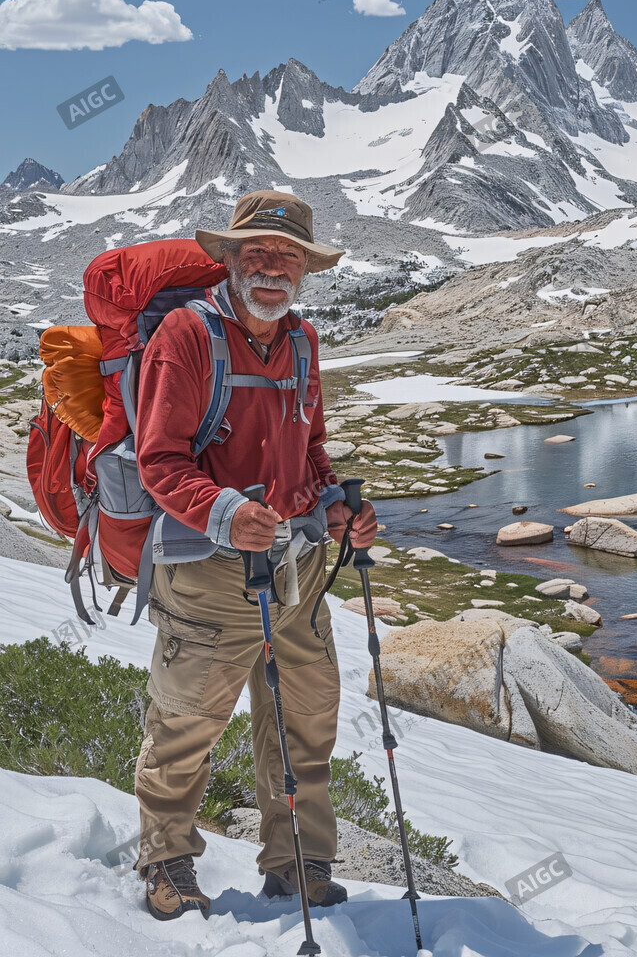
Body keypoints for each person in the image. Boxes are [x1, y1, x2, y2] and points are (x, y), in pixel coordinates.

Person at [131, 191, 377, 920]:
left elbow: (312, 450)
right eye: (259, 255)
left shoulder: (303, 342)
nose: (273, 270)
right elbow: (160, 459)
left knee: (305, 719)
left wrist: (337, 507)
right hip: (208, 574)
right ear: (232, 260)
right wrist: (225, 512)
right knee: (185, 724)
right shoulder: (184, 335)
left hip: (298, 570)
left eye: (288, 258)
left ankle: (299, 861)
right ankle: (167, 862)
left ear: (304, 270)